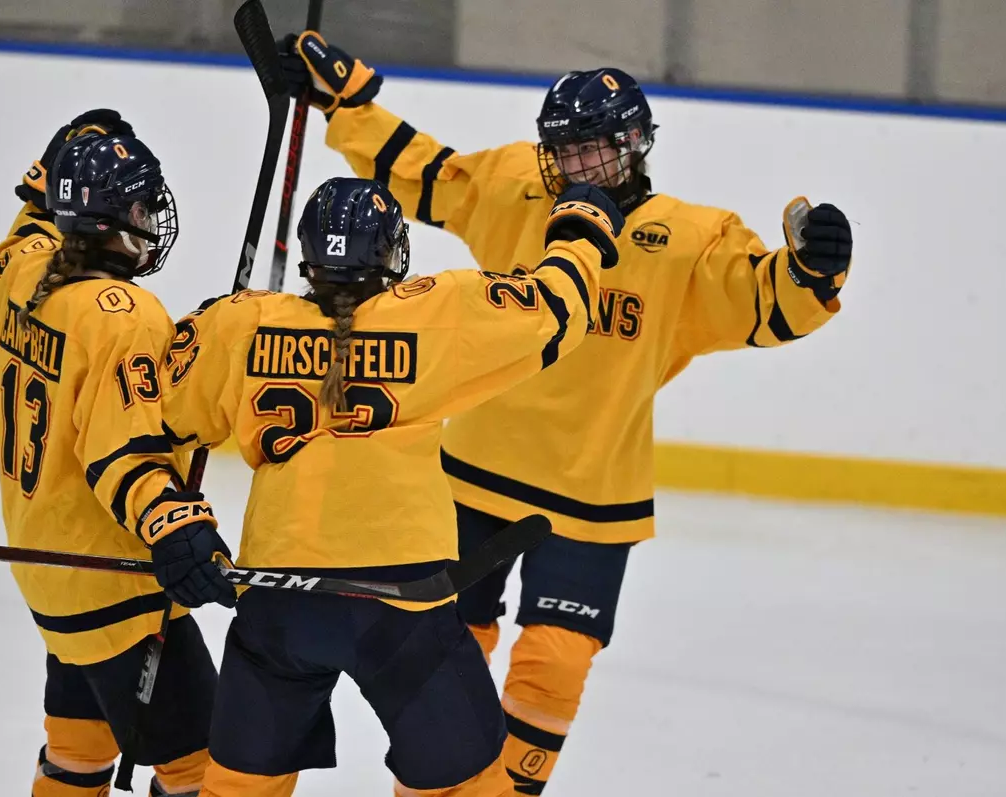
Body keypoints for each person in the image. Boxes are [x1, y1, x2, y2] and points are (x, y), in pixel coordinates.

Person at [278, 33, 856, 793]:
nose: (575, 167)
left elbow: (763, 301)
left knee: (554, 665)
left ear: (635, 144)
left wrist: (814, 270)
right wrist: (350, 105)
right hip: (472, 474)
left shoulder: (690, 240)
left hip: (593, 492)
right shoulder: (518, 185)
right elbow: (430, 177)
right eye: (562, 150)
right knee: (447, 646)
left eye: (593, 149)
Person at [156, 175, 623, 797]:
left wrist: (173, 521)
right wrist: (580, 233)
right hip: (401, 602)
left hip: (278, 598)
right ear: (390, 251)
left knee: (238, 788)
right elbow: (556, 312)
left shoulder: (241, 322)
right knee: (465, 786)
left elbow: (154, 421)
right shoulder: (437, 310)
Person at [0, 109, 237, 797]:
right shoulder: (124, 316)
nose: (151, 218)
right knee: (204, 771)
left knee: (77, 750)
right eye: (142, 207)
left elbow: (21, 237)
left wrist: (46, 182)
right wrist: (174, 525)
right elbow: (123, 450)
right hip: (114, 580)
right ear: (116, 220)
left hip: (50, 570)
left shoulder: (27, 274)